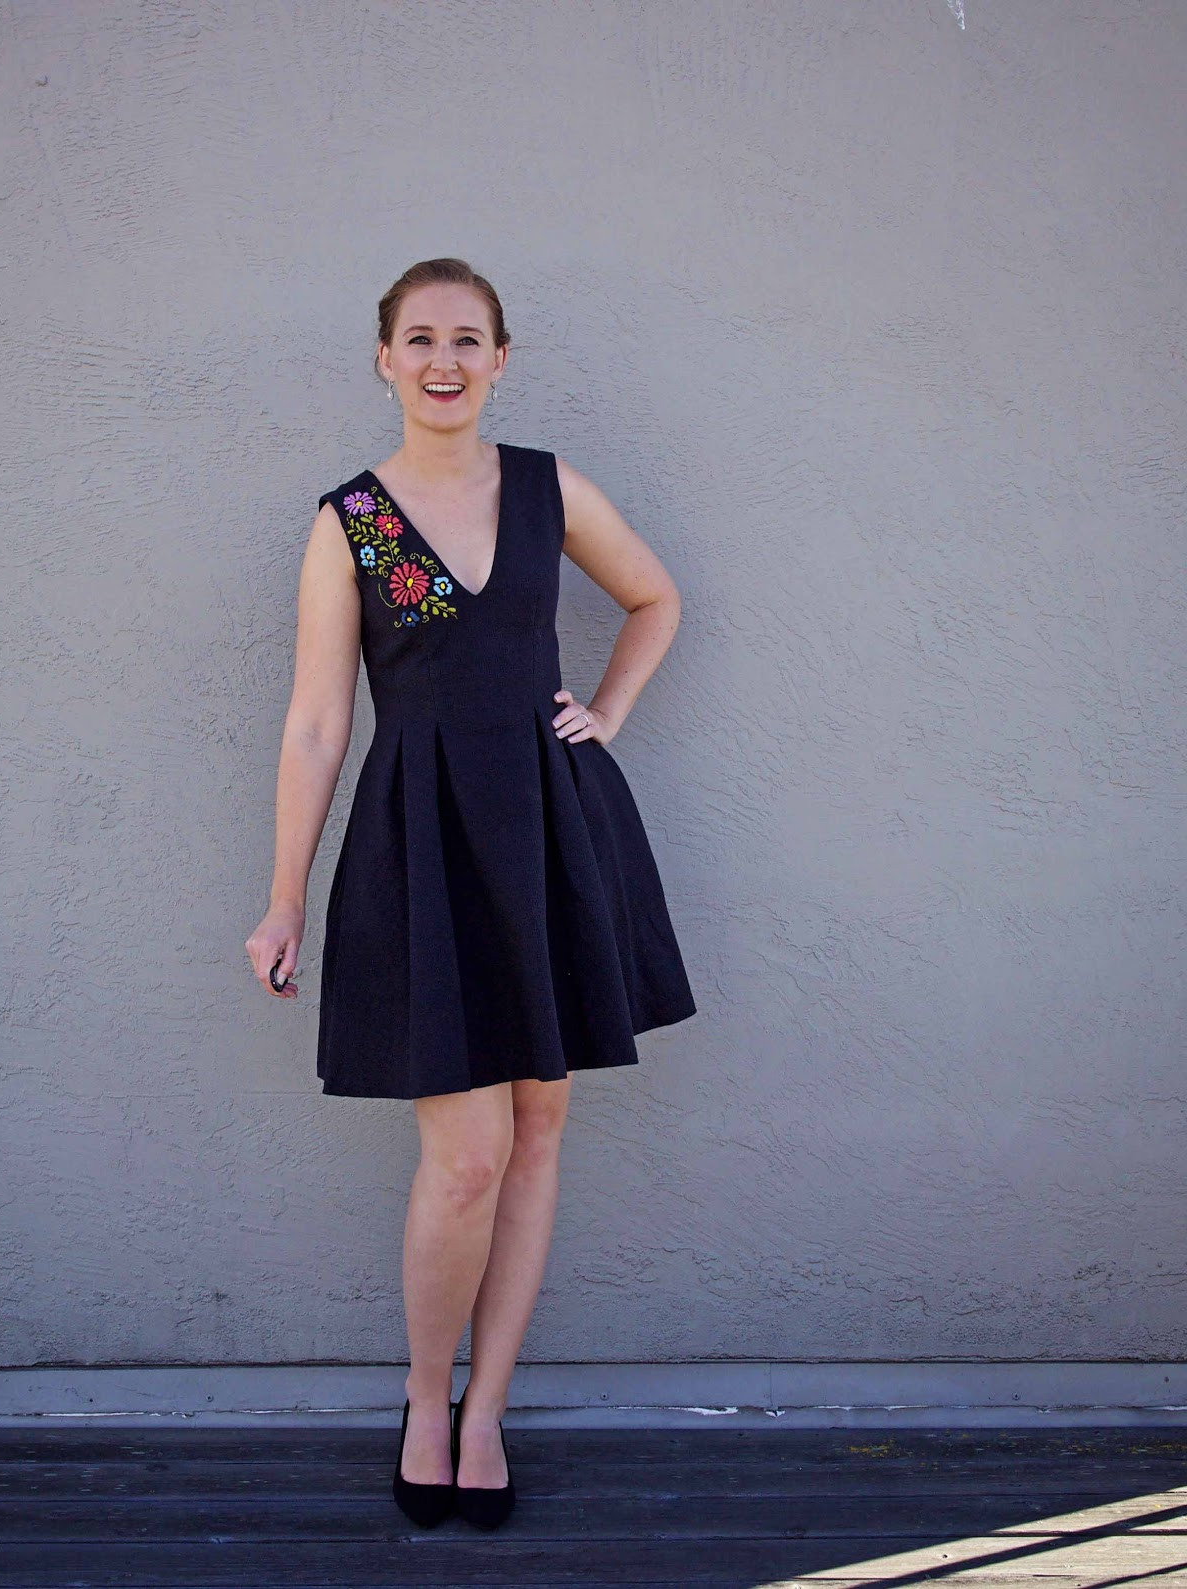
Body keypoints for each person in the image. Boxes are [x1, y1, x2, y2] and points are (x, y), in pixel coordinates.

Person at [245, 257, 696, 1530]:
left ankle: (487, 1405)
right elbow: (318, 721)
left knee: (541, 1127)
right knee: (465, 1155)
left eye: (469, 338)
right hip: (423, 842)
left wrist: (603, 711)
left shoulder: (551, 490)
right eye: (418, 337)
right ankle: (425, 1394)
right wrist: (284, 897)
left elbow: (658, 597)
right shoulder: (351, 521)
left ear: (502, 359)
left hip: (555, 831)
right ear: (383, 358)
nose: (444, 358)